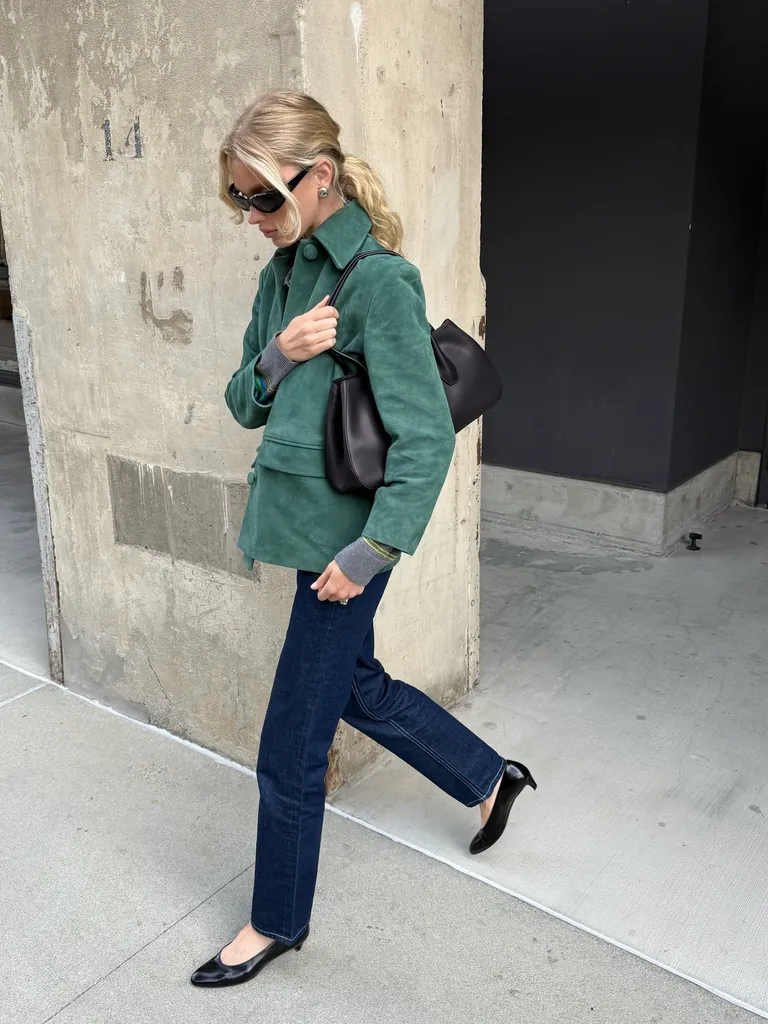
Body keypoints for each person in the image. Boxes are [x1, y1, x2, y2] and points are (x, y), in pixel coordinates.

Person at [191, 91, 536, 989]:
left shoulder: (381, 281)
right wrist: (284, 353)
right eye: (240, 201)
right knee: (358, 688)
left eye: (265, 197)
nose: (252, 218)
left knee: (291, 742)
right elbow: (240, 402)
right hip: (306, 534)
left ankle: (275, 919)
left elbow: (423, 438)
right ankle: (489, 775)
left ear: (322, 178)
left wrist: (371, 554)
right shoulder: (281, 277)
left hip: (347, 554)